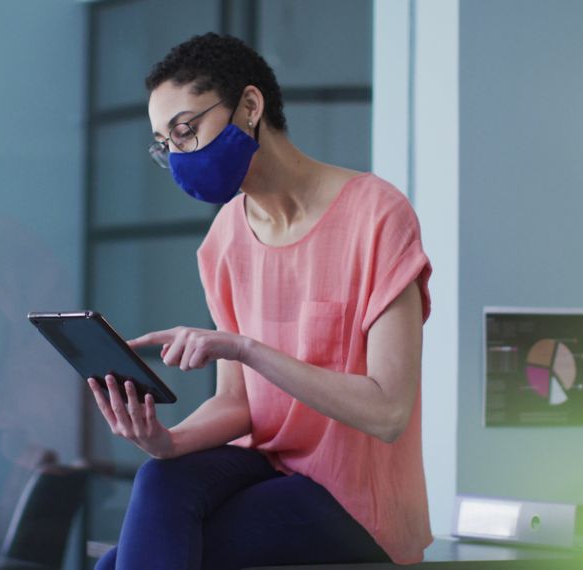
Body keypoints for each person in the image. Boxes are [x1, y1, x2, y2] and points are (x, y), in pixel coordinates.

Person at [90, 33, 433, 569]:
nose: (179, 154)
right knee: (160, 476)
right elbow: (239, 405)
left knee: (117, 565)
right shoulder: (225, 238)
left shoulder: (377, 216)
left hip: (355, 502)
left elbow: (389, 410)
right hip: (269, 469)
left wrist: (246, 348)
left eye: (186, 131)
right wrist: (165, 441)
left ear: (250, 106)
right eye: (165, 144)